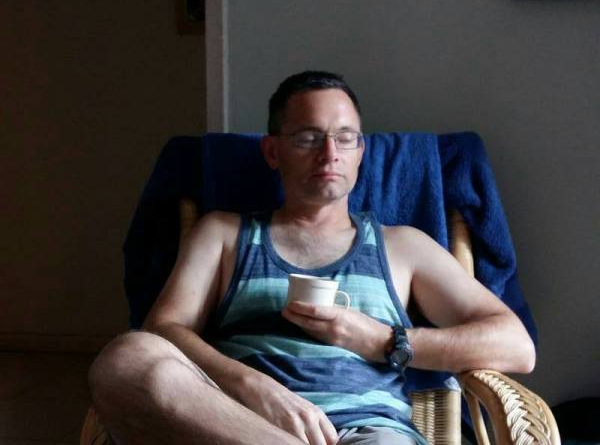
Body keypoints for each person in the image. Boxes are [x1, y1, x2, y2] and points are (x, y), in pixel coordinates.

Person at [89, 71, 535, 445]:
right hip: (238, 427)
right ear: (273, 151)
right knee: (125, 358)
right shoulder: (223, 234)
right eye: (308, 138)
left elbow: (516, 346)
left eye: (345, 138)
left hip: (369, 433)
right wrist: (251, 385)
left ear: (361, 152)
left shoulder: (404, 246)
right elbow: (164, 330)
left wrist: (383, 340)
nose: (330, 154)